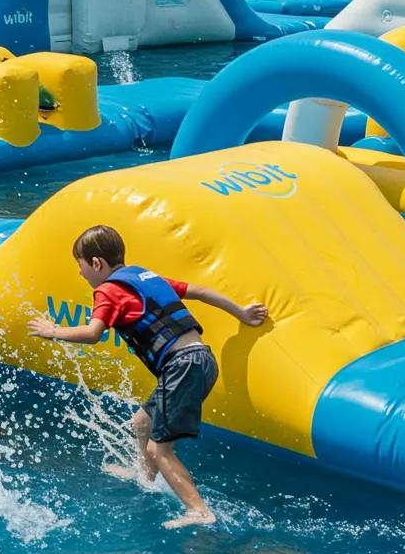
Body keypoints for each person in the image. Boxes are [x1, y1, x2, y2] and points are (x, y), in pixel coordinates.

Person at [28, 225, 268, 528]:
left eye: (81, 265)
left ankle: (199, 511)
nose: (81, 274)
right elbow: (202, 292)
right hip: (200, 359)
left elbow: (92, 334)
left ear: (97, 263)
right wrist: (242, 313)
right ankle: (145, 474)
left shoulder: (108, 290)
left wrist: (52, 332)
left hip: (182, 365)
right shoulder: (144, 277)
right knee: (141, 423)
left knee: (160, 449)